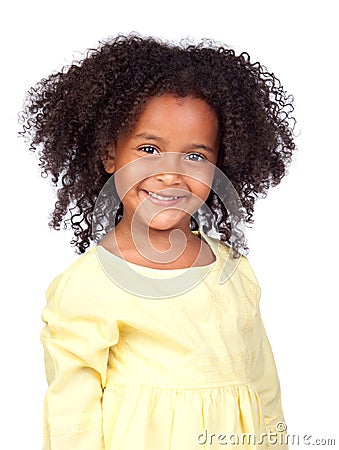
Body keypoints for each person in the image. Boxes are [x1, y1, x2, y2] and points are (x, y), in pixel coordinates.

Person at [21, 33, 296, 450]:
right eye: (149, 149)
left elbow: (264, 385)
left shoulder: (232, 271)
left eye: (196, 157)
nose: (171, 174)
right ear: (110, 155)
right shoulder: (91, 284)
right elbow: (70, 414)